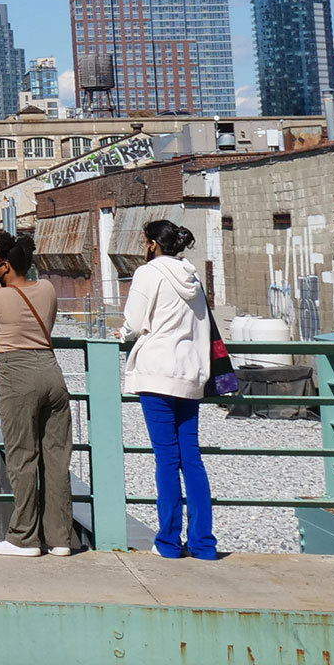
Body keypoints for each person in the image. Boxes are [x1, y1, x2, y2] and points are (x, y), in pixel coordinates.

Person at [0, 229, 73, 557]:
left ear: (6, 267)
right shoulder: (48, 289)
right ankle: (60, 539)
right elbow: (45, 324)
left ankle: (23, 537)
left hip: (18, 375)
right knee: (56, 458)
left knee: (22, 456)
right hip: (52, 373)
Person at [122, 218, 218, 561]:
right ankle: (205, 544)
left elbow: (133, 324)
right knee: (191, 458)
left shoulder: (148, 274)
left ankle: (168, 542)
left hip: (157, 373)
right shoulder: (192, 277)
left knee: (166, 460)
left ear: (152, 244)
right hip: (190, 373)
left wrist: (122, 335)